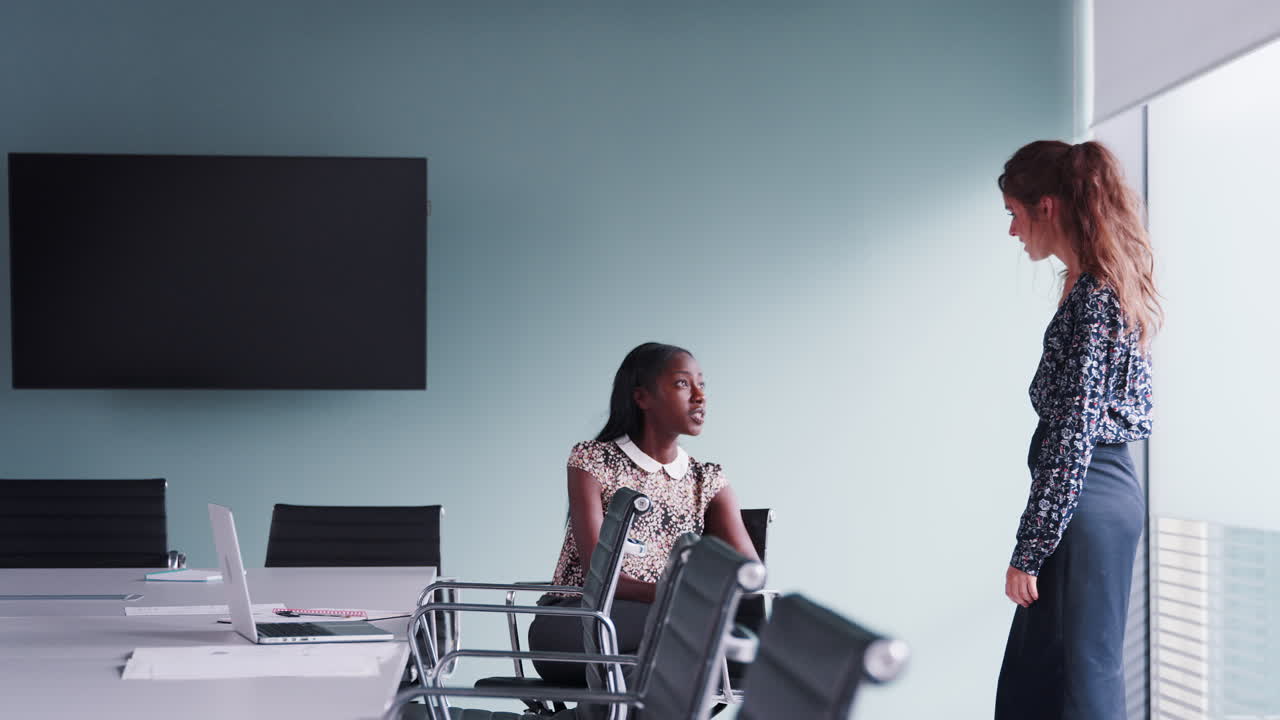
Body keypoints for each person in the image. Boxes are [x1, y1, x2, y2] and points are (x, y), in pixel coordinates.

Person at [994, 140, 1162, 720]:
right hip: (1097, 497)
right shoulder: (1094, 287)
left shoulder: (1093, 296)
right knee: (1067, 677)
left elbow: (1072, 435)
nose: (1012, 232)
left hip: (1085, 498)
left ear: (1047, 207)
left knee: (1069, 683)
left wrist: (1029, 550)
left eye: (1014, 214)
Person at [527, 342, 760, 685]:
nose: (699, 396)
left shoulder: (707, 479)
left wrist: (706, 585)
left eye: (702, 384)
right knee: (694, 642)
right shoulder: (592, 461)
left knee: (705, 649)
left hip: (668, 624)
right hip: (578, 621)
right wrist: (677, 593)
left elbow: (751, 574)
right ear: (642, 398)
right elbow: (601, 575)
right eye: (683, 384)